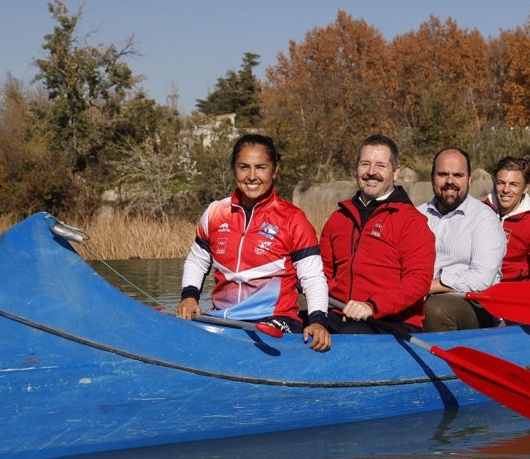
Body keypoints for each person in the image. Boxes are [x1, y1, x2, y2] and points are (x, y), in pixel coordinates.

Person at [176, 134, 331, 351]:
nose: (251, 176)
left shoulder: (293, 219)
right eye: (244, 167)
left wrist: (317, 321)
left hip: (274, 320)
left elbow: (313, 277)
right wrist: (190, 298)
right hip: (223, 318)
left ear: (274, 170)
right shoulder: (215, 212)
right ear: (233, 169)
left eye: (260, 167)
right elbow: (197, 261)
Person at [319, 134, 436, 333]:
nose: (371, 172)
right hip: (339, 313)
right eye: (365, 164)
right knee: (294, 329)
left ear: (395, 172)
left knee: (350, 336)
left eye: (381, 165)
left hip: (389, 321)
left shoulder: (411, 221)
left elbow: (418, 281)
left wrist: (372, 306)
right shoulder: (339, 219)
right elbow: (323, 271)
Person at [417, 147, 506, 331]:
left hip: (473, 302)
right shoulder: (416, 216)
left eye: (458, 175)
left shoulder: (484, 218)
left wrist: (428, 286)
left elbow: (482, 278)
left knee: (437, 309)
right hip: (418, 295)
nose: (450, 181)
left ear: (469, 179)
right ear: (432, 177)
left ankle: (440, 360)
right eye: (443, 174)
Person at [484, 156, 530, 283]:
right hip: (472, 289)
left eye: (513, 184)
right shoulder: (477, 213)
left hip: (513, 292)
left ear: (525, 187)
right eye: (501, 183)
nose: (506, 190)